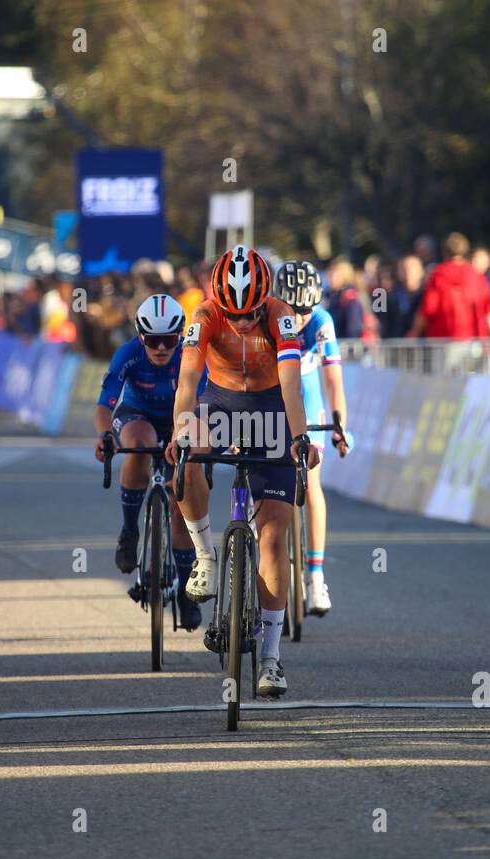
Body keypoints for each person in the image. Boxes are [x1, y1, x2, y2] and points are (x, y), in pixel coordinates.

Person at [166, 245, 319, 697]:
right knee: (189, 451)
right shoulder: (204, 315)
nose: (242, 322)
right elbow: (188, 382)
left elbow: (291, 384)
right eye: (233, 314)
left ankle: (271, 658)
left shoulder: (281, 315)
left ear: (264, 300)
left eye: (250, 313)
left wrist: (298, 437)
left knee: (274, 535)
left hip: (272, 406)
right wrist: (179, 428)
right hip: (224, 402)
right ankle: (206, 558)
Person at [95, 294, 205, 630]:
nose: (160, 348)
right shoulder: (127, 355)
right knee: (140, 446)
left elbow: (201, 406)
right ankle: (129, 531)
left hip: (179, 420)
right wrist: (105, 436)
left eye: (169, 340)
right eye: (153, 340)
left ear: (180, 336)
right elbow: (104, 406)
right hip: (137, 415)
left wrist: (196, 446)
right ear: (140, 337)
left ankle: (186, 593)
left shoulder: (191, 355)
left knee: (179, 504)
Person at [275, 260, 352, 614]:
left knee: (311, 479)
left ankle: (315, 577)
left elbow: (333, 379)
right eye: (294, 308)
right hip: (272, 393)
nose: (301, 315)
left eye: (307, 307)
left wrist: (339, 426)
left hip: (306, 393)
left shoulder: (322, 321)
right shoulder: (268, 316)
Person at [411, 232, 490, 340]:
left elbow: (428, 308)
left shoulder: (438, 275)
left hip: (443, 339)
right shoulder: (476, 275)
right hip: (474, 340)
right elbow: (489, 311)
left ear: (444, 251)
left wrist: (413, 333)